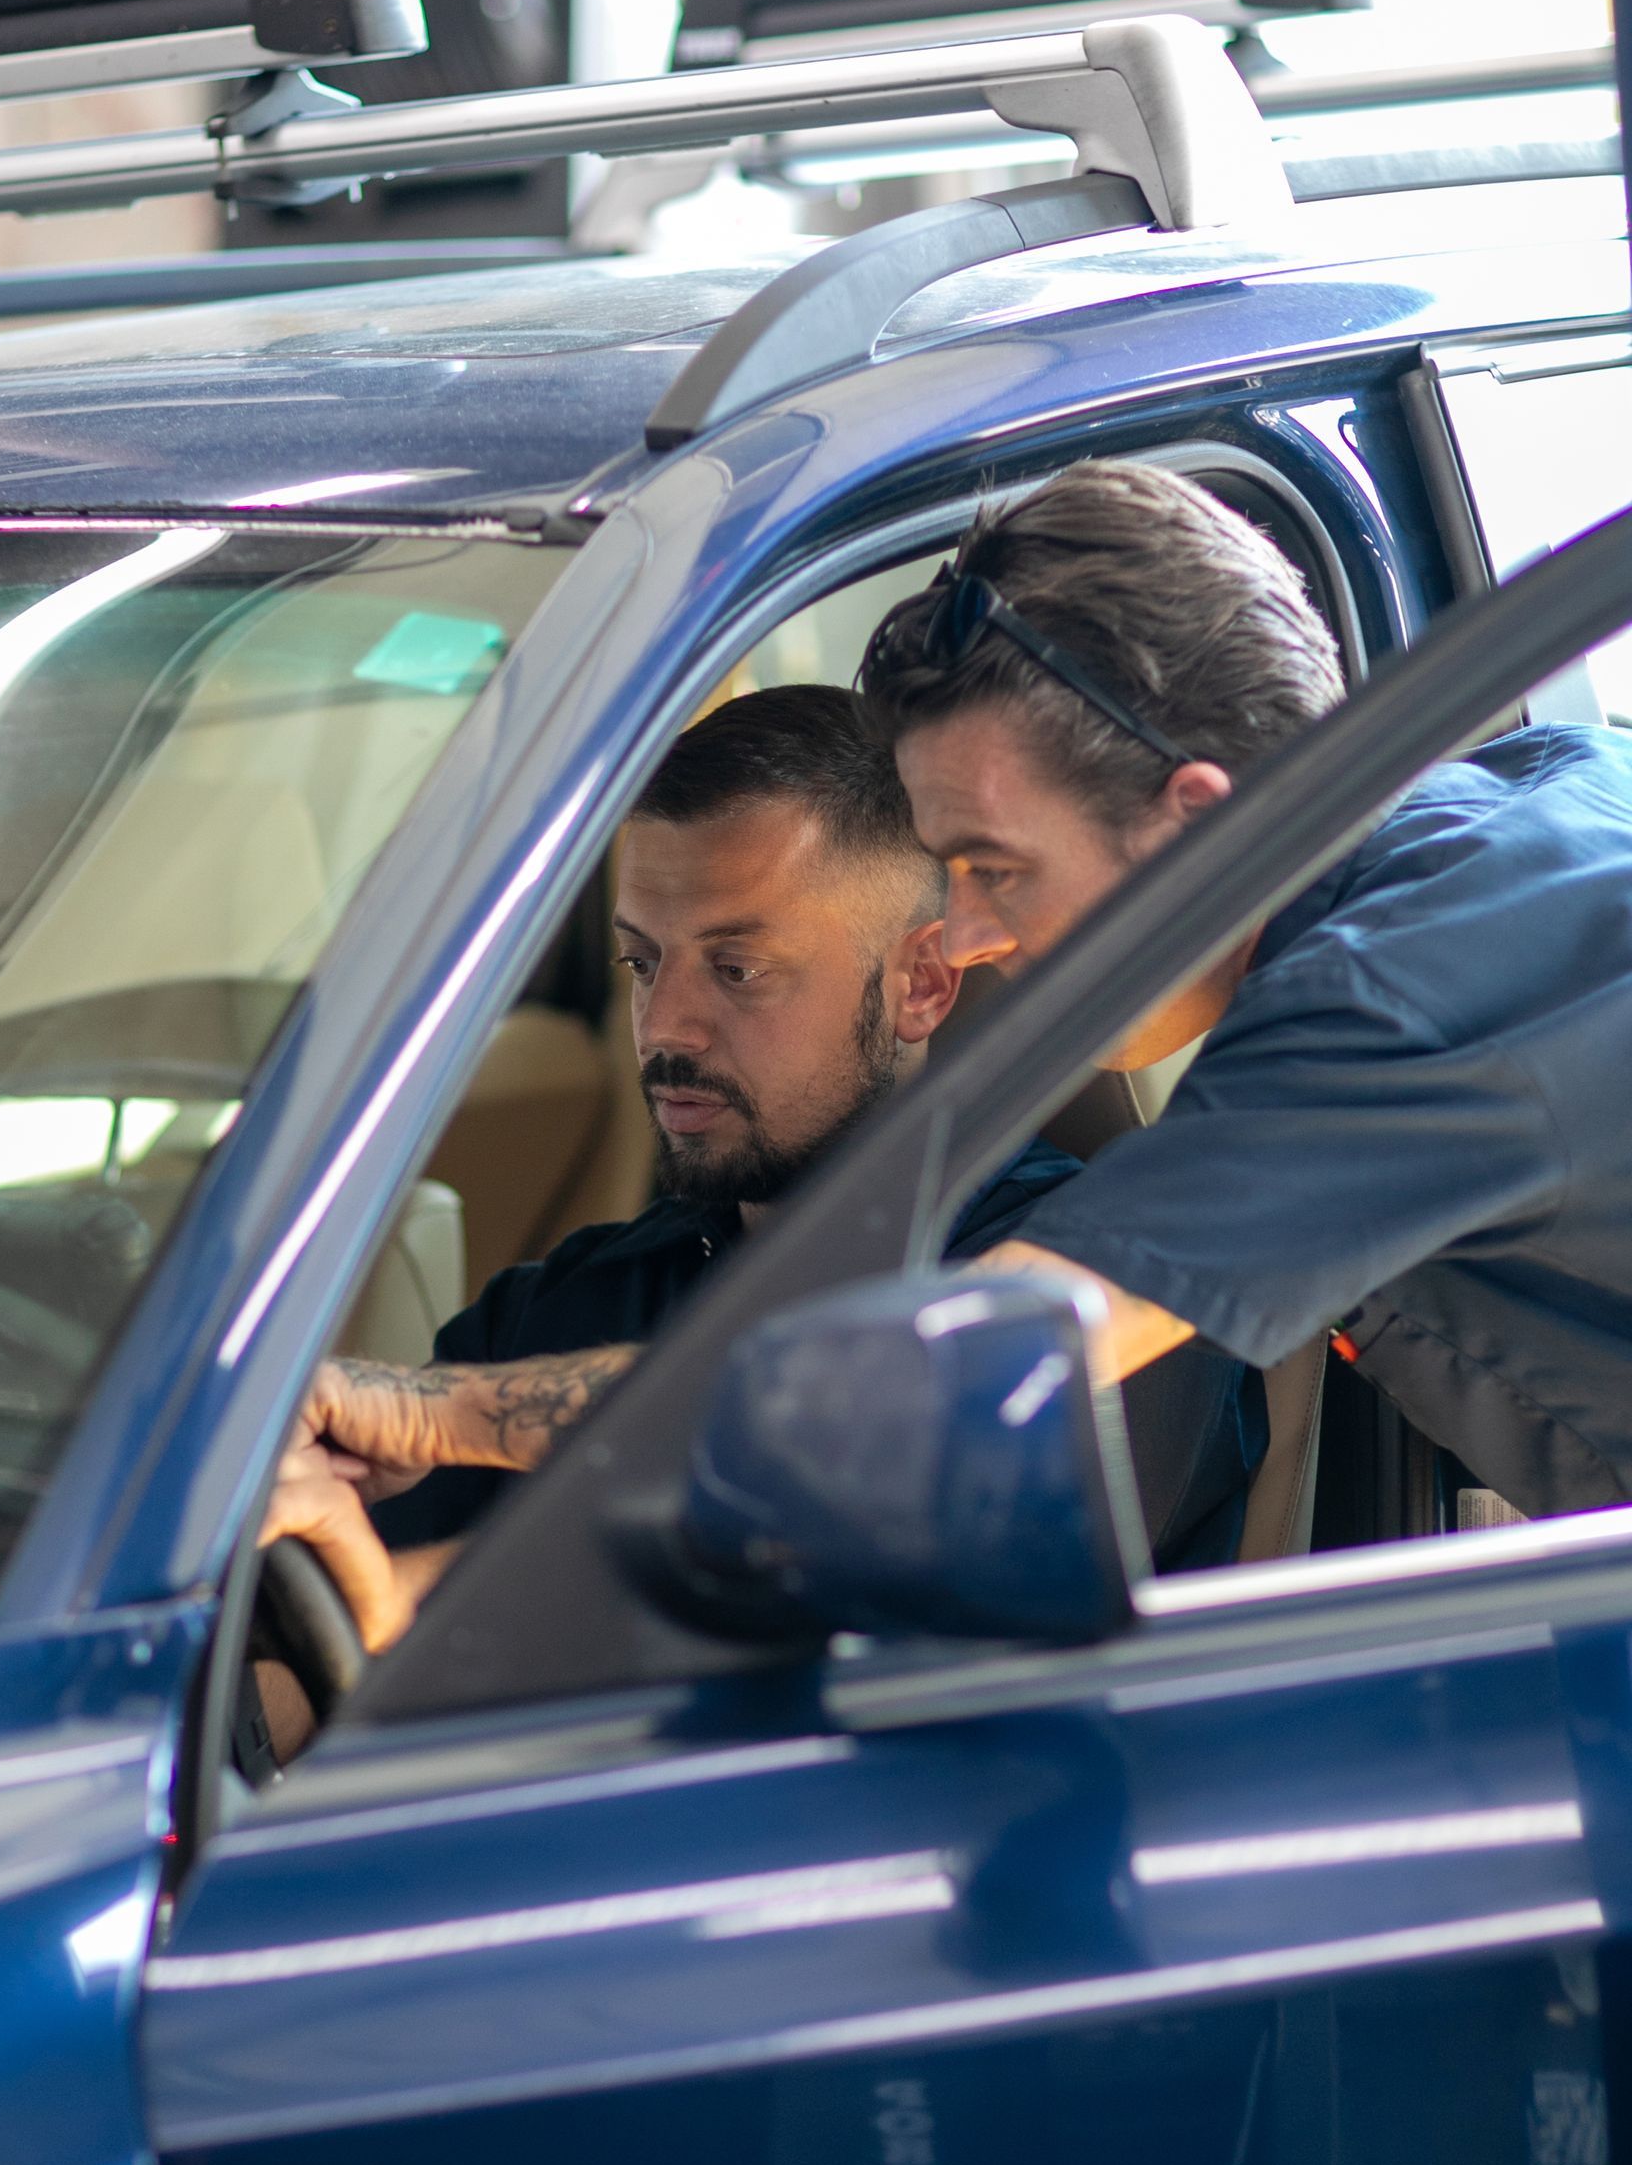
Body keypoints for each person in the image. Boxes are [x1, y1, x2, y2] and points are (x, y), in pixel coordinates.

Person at [262, 684, 1266, 1681]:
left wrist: (434, 1489)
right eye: (643, 962)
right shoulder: (562, 1306)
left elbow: (834, 1579)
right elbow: (315, 1649)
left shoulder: (1115, 1300)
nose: (663, 1029)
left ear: (921, 982)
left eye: (738, 970)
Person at [857, 453, 1632, 1526]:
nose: (966, 935)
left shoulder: (1384, 1006)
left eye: (995, 867)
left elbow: (946, 1367)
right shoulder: (1545, 781)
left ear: (1202, 824)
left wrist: (552, 1410)